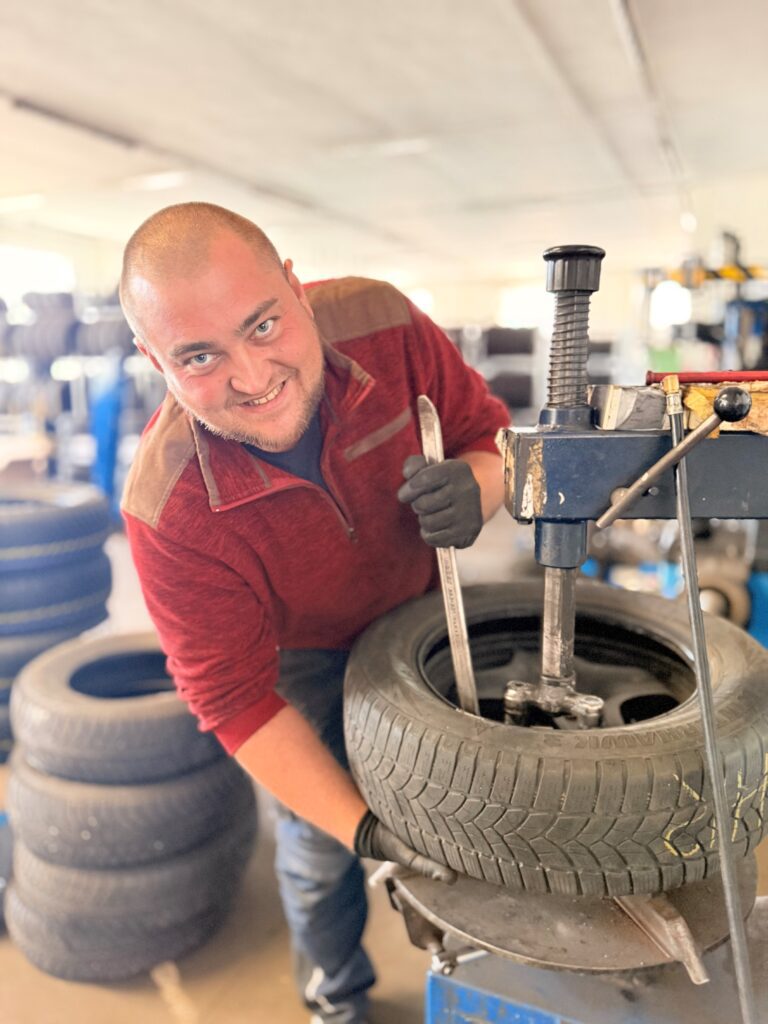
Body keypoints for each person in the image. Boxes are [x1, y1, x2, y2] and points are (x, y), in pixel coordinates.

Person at [119, 202, 509, 1024]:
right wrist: (367, 834)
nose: (253, 378)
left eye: (263, 325)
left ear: (297, 288)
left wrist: (478, 486)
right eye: (199, 356)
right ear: (153, 359)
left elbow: (487, 433)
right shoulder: (169, 509)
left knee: (477, 798)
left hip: (423, 614)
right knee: (317, 853)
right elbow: (232, 699)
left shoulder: (384, 321)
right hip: (300, 658)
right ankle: (337, 997)